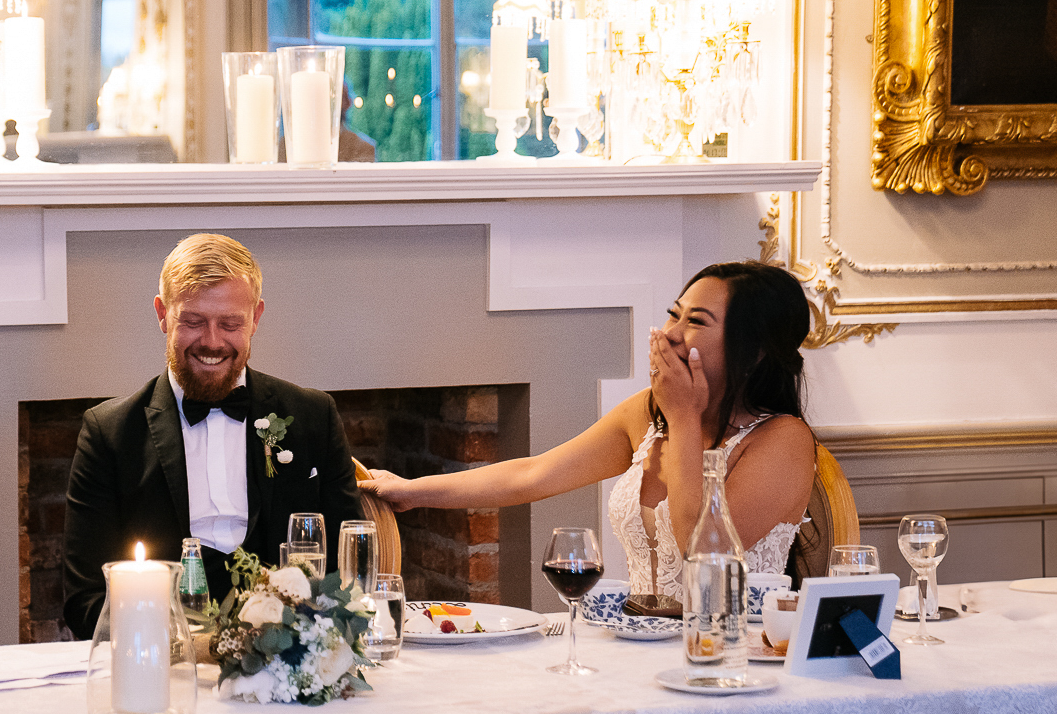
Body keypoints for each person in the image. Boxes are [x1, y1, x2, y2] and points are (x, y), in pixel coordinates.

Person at [367, 262, 816, 599]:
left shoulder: (783, 440)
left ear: (755, 351)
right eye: (673, 315)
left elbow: (697, 549)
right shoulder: (648, 413)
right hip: (635, 639)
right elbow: (535, 474)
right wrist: (413, 490)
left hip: (733, 652)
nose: (670, 334)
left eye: (696, 322)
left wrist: (683, 416)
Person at [62, 233, 361, 637]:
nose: (212, 342)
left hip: (285, 660)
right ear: (162, 314)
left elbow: (349, 574)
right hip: (166, 665)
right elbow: (86, 600)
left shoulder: (312, 416)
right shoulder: (109, 433)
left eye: (230, 323)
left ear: (255, 318)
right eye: (193, 321)